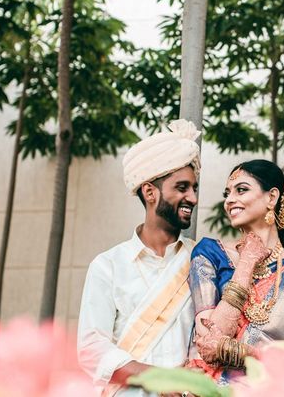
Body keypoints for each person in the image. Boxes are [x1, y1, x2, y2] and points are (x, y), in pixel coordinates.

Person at [77, 119, 201, 396]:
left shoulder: (202, 261)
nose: (192, 198)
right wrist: (160, 379)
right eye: (182, 187)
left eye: (194, 188)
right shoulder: (108, 266)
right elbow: (91, 349)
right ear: (150, 192)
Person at [188, 159, 284, 383]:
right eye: (227, 193)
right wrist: (246, 263)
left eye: (241, 190)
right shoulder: (210, 253)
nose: (230, 200)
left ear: (272, 197)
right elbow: (209, 340)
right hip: (204, 389)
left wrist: (246, 354)